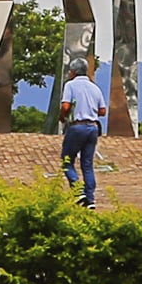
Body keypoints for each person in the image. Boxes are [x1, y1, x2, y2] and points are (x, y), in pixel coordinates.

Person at [58, 64, 109, 207]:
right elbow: (103, 111)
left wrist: (62, 117)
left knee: (67, 161)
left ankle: (78, 190)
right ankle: (90, 198)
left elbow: (65, 106)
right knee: (87, 164)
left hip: (77, 126)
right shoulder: (95, 88)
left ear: (73, 72)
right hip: (93, 127)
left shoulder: (70, 85)